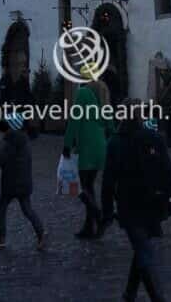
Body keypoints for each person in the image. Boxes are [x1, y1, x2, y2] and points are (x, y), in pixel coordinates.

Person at [101, 101, 171, 302]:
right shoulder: (154, 138)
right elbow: (167, 170)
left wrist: (107, 210)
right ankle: (131, 293)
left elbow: (108, 180)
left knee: (142, 250)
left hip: (130, 203)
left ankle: (152, 297)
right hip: (154, 201)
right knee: (142, 247)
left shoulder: (115, 143)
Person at [0, 113, 45, 249]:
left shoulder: (9, 141)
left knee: (2, 207)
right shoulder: (25, 139)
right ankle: (41, 234)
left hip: (10, 182)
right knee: (27, 209)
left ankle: (1, 237)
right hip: (25, 181)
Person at [63, 76, 111, 238]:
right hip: (100, 146)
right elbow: (110, 124)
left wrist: (67, 144)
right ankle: (89, 227)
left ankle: (99, 217)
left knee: (82, 188)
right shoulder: (103, 93)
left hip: (86, 147)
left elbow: (74, 120)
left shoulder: (83, 93)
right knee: (89, 187)